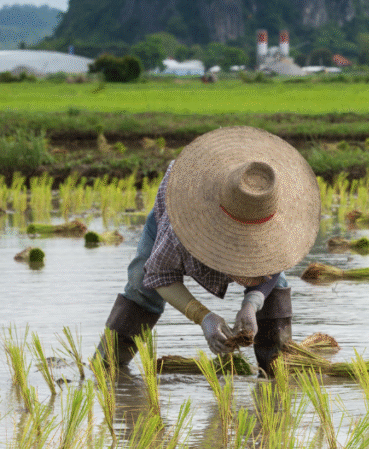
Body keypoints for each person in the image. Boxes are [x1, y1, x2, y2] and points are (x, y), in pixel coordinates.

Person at [96, 125, 321, 376]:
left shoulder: (272, 213)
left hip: (246, 206)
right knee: (141, 283)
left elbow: (274, 267)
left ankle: (276, 369)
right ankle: (107, 367)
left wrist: (251, 303)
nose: (256, 268)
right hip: (183, 205)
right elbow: (160, 275)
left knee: (274, 289)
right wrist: (204, 317)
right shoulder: (182, 224)